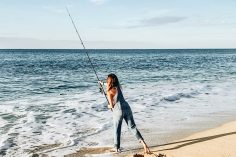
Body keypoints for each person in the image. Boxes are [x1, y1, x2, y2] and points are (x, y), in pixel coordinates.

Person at [99, 73, 151, 154]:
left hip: (118, 110)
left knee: (117, 129)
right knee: (132, 127)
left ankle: (116, 148)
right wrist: (102, 84)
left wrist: (108, 106)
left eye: (107, 80)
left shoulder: (109, 92)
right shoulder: (118, 87)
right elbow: (110, 85)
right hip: (127, 107)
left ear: (109, 81)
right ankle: (144, 144)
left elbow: (111, 106)